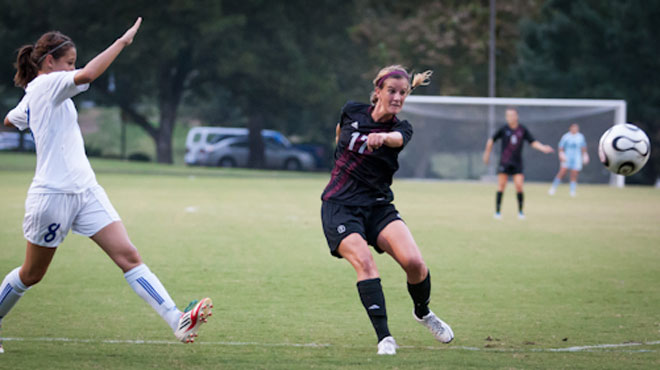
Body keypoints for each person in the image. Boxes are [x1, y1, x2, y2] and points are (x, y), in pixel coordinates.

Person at [0, 18, 211, 354]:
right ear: (48, 62)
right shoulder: (45, 86)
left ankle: (177, 320)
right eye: (69, 62)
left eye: (73, 62)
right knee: (32, 273)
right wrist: (121, 42)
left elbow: (13, 119)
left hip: (86, 192)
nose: (73, 68)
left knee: (128, 256)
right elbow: (88, 75)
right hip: (52, 196)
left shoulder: (39, 91)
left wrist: (22, 113)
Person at [320, 65, 453, 355]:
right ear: (377, 91)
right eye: (391, 91)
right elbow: (340, 134)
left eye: (402, 93)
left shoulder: (400, 128)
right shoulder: (351, 111)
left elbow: (398, 140)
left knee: (415, 264)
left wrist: (383, 138)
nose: (397, 97)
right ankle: (385, 338)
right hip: (340, 206)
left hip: (379, 206)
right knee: (366, 263)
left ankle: (423, 312)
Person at [482, 108, 554, 220]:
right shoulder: (503, 129)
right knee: (501, 186)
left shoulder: (522, 129)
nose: (509, 117)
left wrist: (543, 148)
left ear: (516, 116)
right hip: (504, 162)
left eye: (511, 115)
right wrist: (487, 154)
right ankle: (497, 212)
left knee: (519, 186)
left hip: (517, 163)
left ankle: (520, 212)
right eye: (507, 115)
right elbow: (491, 141)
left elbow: (532, 142)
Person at [548, 123, 588, 196]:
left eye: (576, 128)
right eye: (573, 128)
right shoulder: (566, 136)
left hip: (576, 158)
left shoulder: (580, 137)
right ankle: (553, 188)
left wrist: (585, 155)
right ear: (570, 128)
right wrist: (561, 154)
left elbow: (583, 147)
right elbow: (561, 147)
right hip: (567, 157)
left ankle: (572, 191)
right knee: (562, 172)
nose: (574, 130)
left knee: (574, 174)